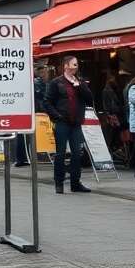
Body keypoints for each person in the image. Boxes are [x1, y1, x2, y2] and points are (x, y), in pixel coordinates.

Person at [44, 55, 93, 194]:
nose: (76, 67)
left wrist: (80, 87)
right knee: (60, 153)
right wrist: (57, 116)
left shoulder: (80, 82)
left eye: (77, 65)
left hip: (76, 123)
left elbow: (89, 99)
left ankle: (75, 183)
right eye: (74, 64)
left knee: (77, 153)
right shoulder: (56, 83)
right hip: (62, 122)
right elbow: (47, 102)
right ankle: (59, 183)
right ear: (66, 66)